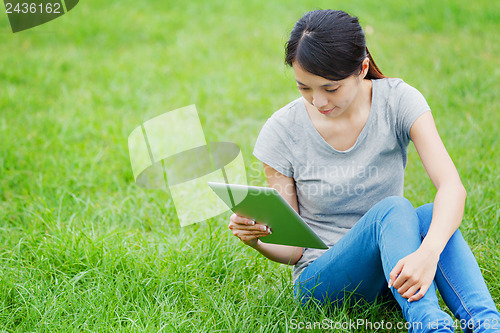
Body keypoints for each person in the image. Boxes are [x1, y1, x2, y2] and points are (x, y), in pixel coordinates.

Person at [227, 9, 500, 333]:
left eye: (331, 88)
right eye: (304, 88)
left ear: (363, 69)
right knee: (396, 209)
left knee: (428, 216)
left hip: (392, 267)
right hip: (321, 283)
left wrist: (428, 252)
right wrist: (256, 239)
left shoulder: (398, 102)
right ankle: (429, 326)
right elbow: (294, 249)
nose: (318, 101)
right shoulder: (282, 131)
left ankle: (487, 325)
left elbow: (452, 188)